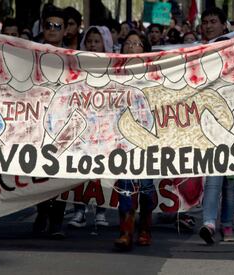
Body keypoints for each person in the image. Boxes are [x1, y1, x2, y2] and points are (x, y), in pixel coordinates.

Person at [197, 6, 234, 245]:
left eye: (213, 21)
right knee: (213, 178)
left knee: (231, 183)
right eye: (206, 22)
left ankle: (228, 224)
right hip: (210, 126)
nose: (209, 25)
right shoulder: (198, 53)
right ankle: (209, 223)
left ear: (224, 25)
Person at [67, 25, 113, 229]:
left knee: (104, 172)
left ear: (105, 43)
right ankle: (79, 211)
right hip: (83, 128)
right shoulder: (78, 66)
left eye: (97, 41)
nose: (93, 45)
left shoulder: (114, 67)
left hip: (106, 127)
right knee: (82, 172)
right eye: (90, 41)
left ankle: (101, 211)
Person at [114, 30, 154, 251]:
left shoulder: (155, 76)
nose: (131, 47)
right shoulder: (114, 76)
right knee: (125, 186)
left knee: (147, 187)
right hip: (123, 142)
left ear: (145, 49)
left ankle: (145, 227)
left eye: (137, 43)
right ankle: (126, 231)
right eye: (127, 43)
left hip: (148, 142)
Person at [33, 7, 68, 239]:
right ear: (43, 28)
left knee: (62, 173)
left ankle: (57, 220)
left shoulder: (74, 56)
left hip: (64, 123)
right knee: (38, 171)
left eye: (57, 26)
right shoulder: (30, 53)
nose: (52, 30)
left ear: (64, 30)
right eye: (49, 26)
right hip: (36, 121)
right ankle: (42, 212)